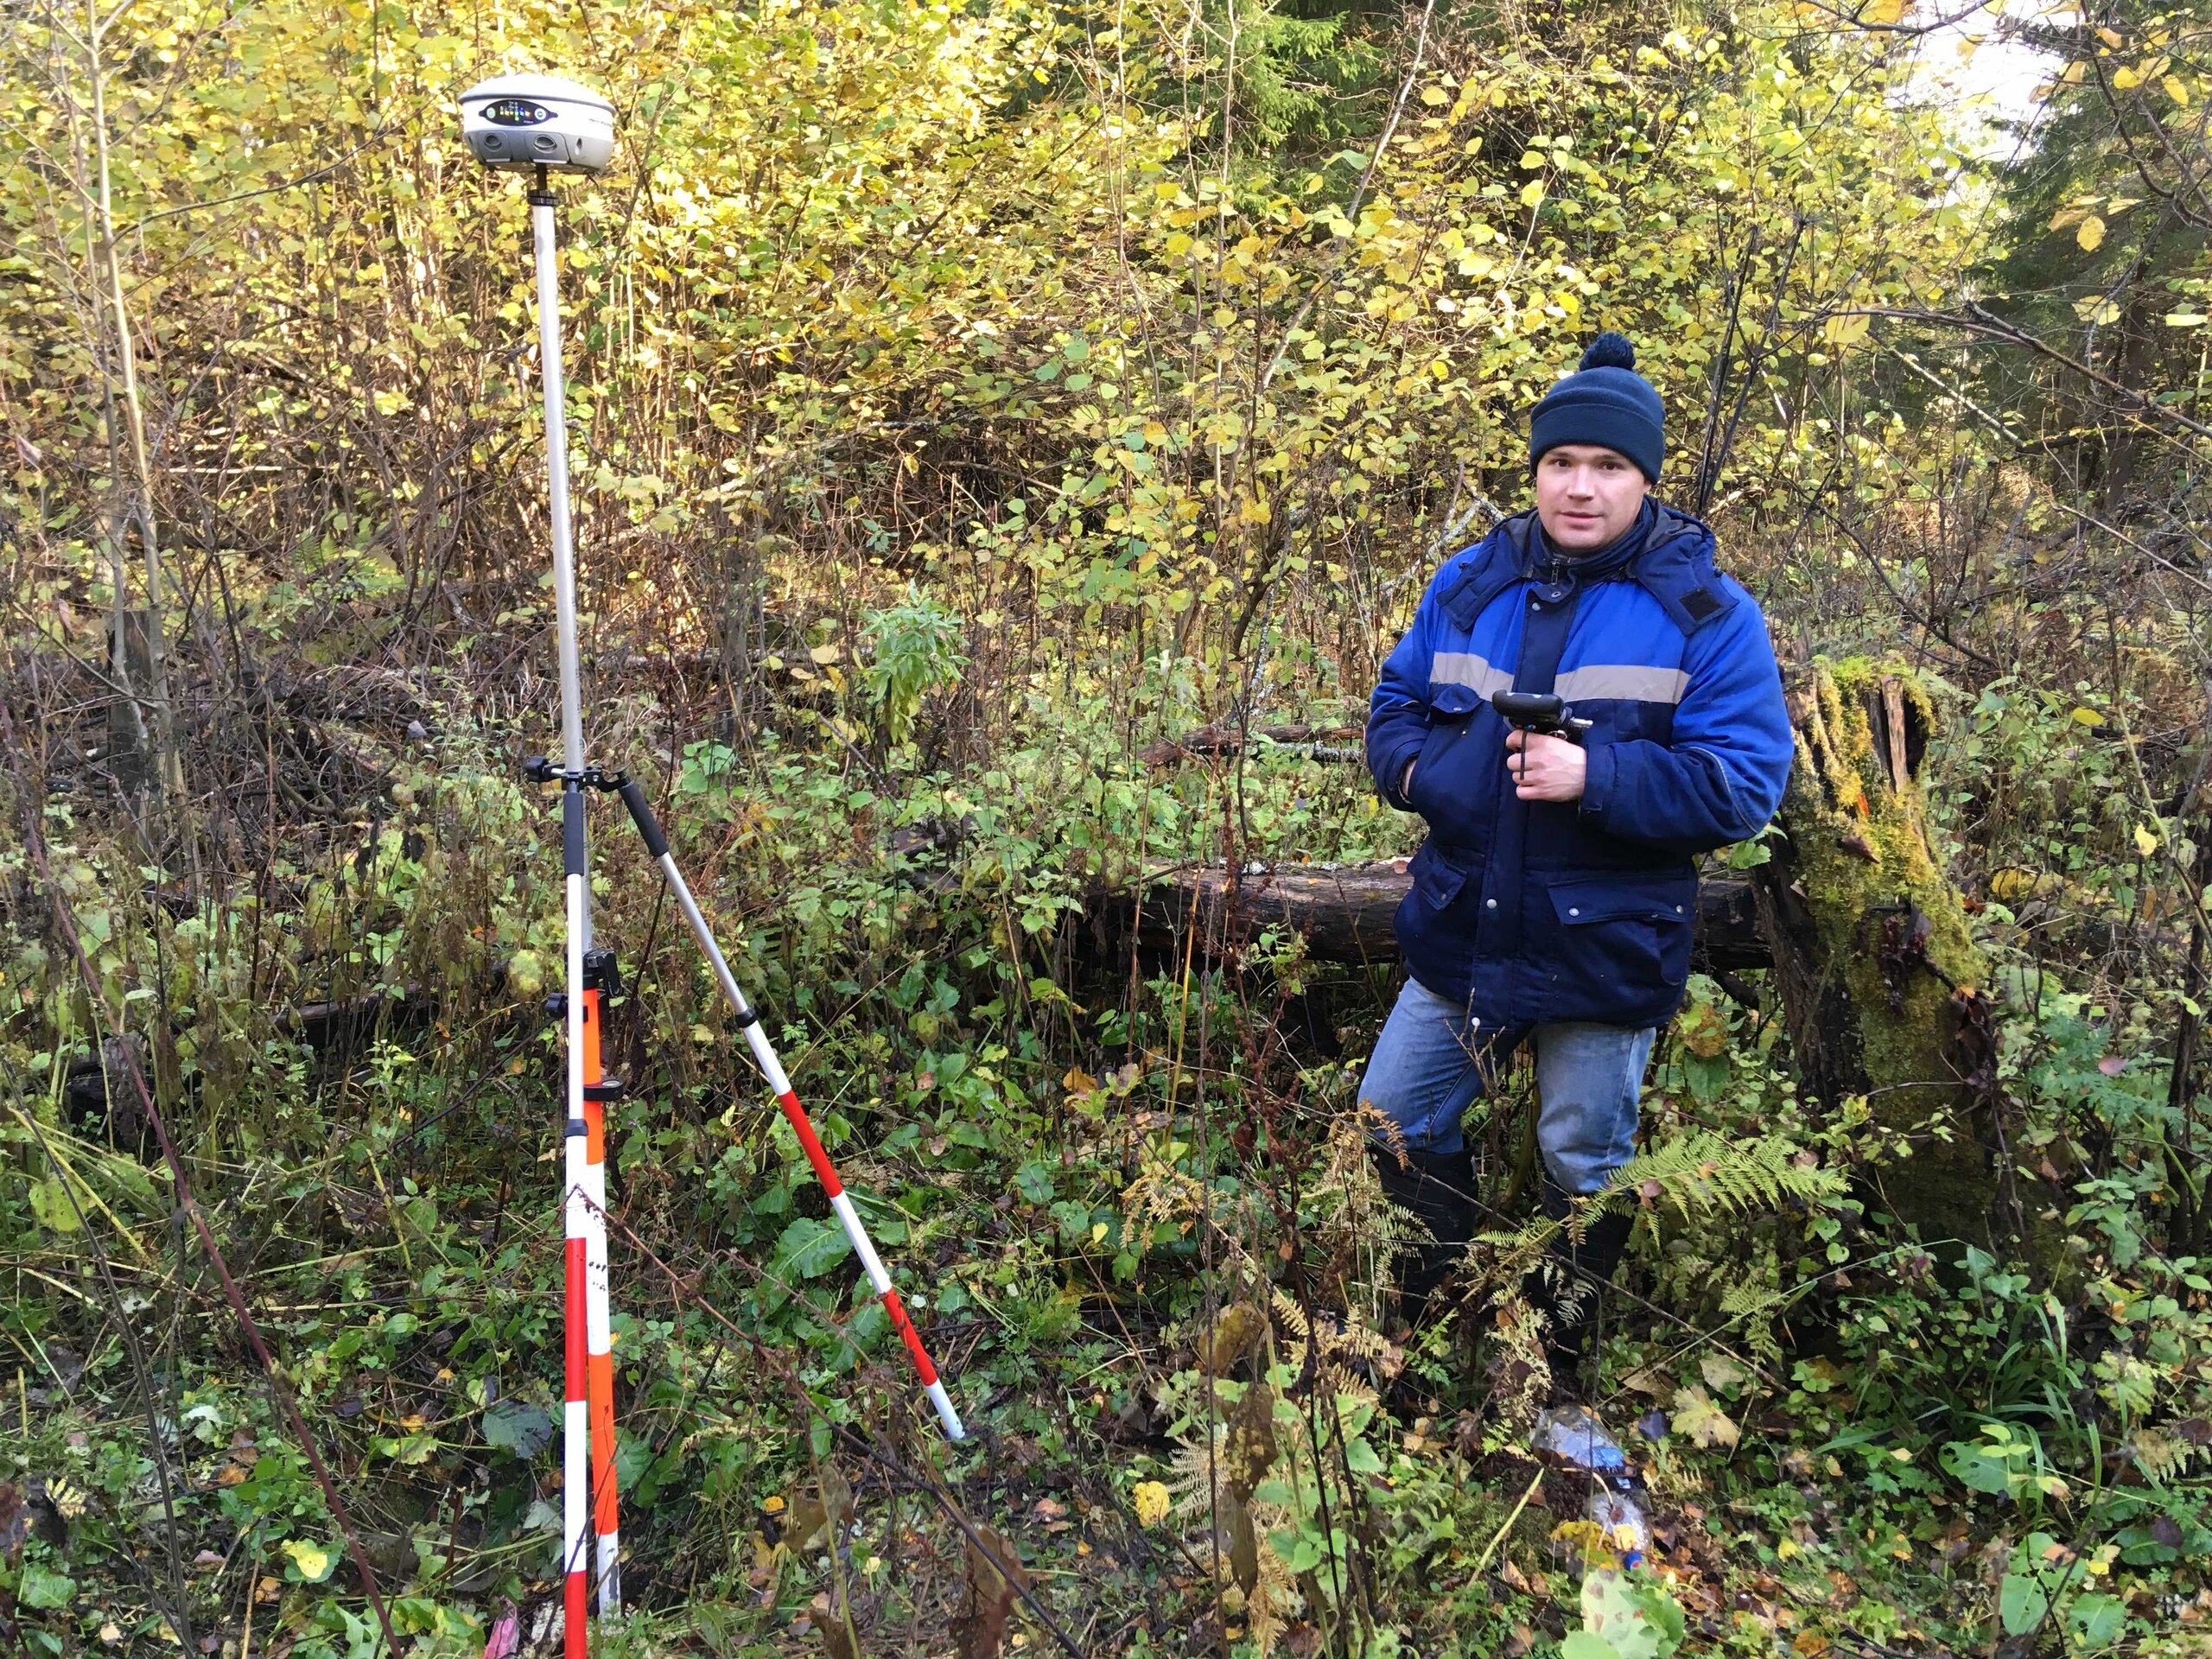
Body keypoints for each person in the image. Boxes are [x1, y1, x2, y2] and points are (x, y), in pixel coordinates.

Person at [1361, 331, 1794, 1396]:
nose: (1581, 487)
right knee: (1392, 1121)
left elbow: (1742, 787)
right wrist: (1429, 779)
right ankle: (1418, 1339)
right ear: (1536, 468)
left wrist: (1592, 777)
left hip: (1604, 944)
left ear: (1645, 478)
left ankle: (1554, 1376)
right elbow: (1392, 710)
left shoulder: (1707, 613)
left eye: (1608, 467)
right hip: (1464, 925)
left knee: (1581, 1166)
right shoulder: (1469, 581)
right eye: (1562, 462)